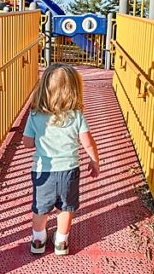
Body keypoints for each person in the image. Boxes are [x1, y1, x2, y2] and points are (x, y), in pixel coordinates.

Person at [22, 63, 100, 256]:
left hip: (42, 171)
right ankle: (61, 242)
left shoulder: (35, 115)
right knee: (66, 207)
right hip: (69, 170)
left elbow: (27, 143)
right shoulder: (77, 116)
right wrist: (94, 160)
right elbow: (88, 143)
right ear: (74, 90)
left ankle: (38, 241)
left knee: (40, 207)